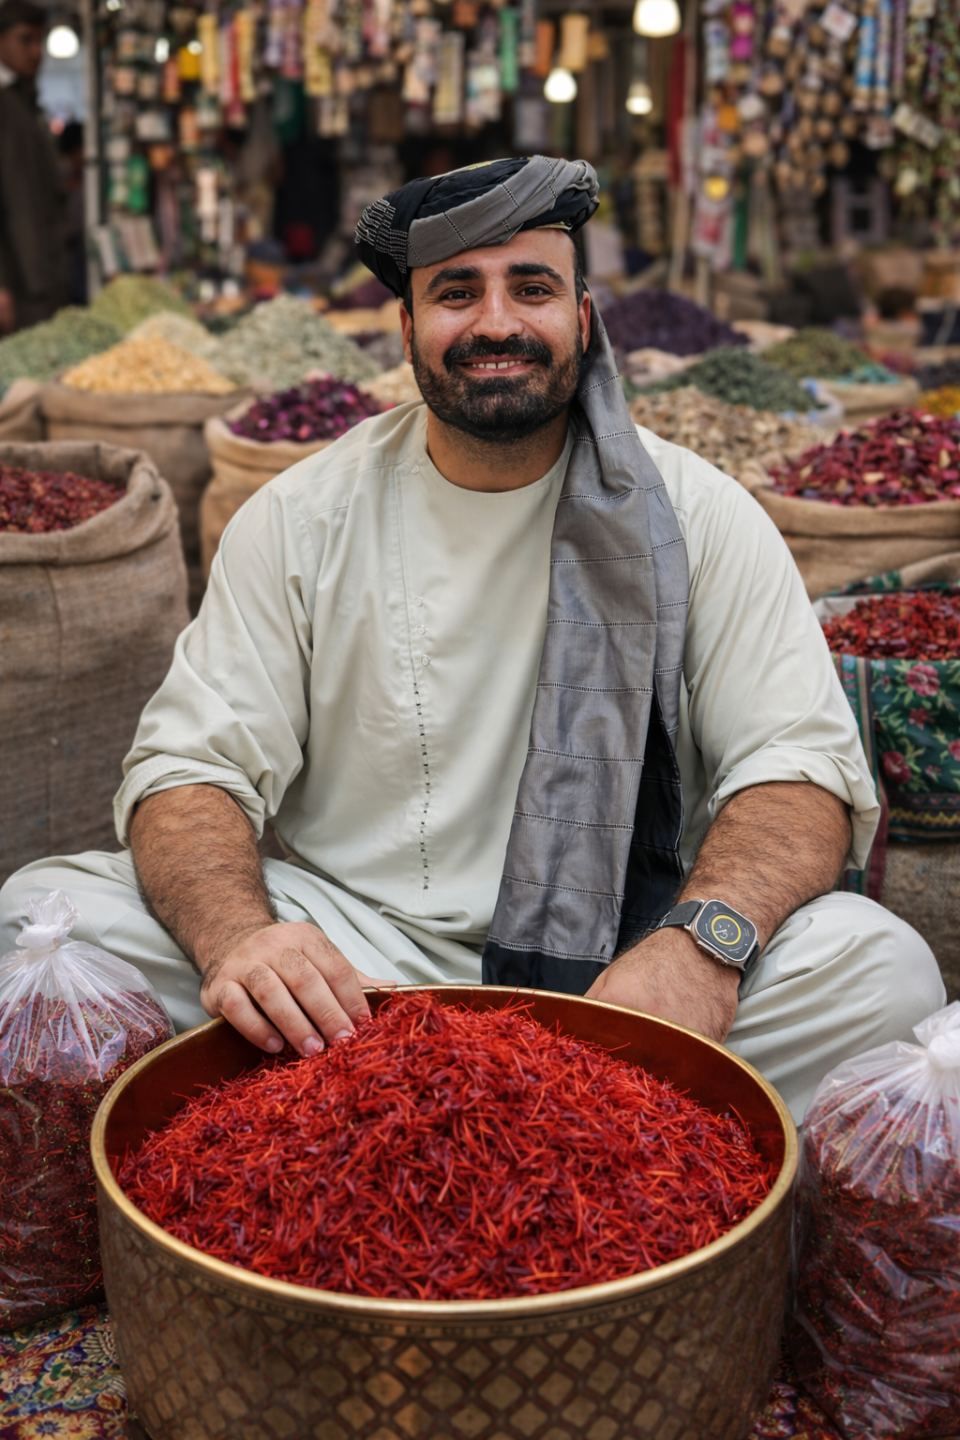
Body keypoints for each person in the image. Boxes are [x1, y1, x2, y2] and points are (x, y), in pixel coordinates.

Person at [0, 156, 944, 1121]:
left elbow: (795, 769)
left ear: (583, 318)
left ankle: (372, 1109)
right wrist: (241, 940)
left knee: (883, 971)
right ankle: (538, 1107)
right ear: (406, 330)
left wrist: (703, 947)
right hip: (360, 970)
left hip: (628, 968)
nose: (496, 322)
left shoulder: (698, 513)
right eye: (457, 293)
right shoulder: (301, 516)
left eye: (532, 288)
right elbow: (191, 767)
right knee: (42, 918)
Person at [0, 0, 69, 333]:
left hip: (44, 277)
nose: (35, 51)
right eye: (25, 40)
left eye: (40, 41)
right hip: (16, 282)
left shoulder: (27, 103)